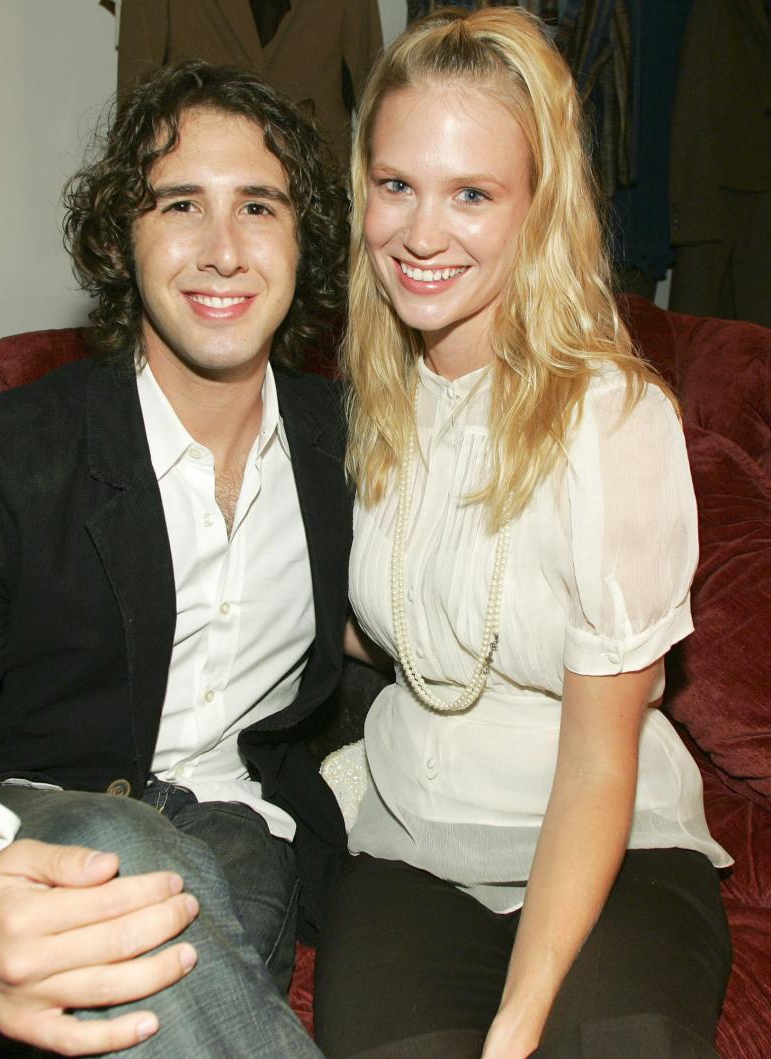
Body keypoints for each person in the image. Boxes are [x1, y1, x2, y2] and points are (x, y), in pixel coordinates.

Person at [0, 60, 351, 1057]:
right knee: (112, 856)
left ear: (302, 240)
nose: (223, 250)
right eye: (180, 204)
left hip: (243, 833)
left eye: (260, 208)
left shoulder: (354, 448)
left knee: (178, 938)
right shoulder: (0, 460)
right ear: (120, 237)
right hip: (44, 820)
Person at [314, 8, 732, 1059]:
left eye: (472, 194)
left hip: (611, 843)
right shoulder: (375, 397)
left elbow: (600, 760)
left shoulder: (611, 420)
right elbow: (401, 622)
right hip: (410, 844)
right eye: (395, 183)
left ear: (539, 210)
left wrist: (518, 1020)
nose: (419, 232)